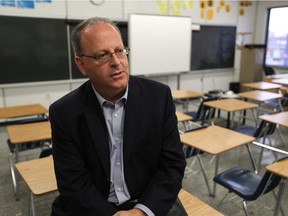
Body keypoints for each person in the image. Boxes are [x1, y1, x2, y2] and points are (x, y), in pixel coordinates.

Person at [49, 17, 186, 216]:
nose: (116, 62)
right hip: (94, 206)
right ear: (81, 64)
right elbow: (73, 182)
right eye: (102, 55)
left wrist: (141, 212)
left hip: (146, 200)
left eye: (120, 51)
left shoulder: (159, 96)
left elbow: (172, 164)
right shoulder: (64, 112)